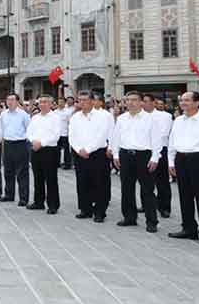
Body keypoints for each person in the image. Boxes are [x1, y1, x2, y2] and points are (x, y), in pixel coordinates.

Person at [167, 91, 199, 248]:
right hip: (181, 159)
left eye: (187, 100)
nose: (183, 103)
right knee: (184, 196)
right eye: (182, 100)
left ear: (197, 103)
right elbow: (172, 141)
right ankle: (188, 228)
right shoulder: (178, 120)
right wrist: (171, 162)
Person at [109, 91, 160, 232]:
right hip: (125, 155)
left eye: (134, 100)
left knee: (147, 190)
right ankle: (129, 217)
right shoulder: (121, 118)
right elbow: (116, 137)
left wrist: (155, 157)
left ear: (141, 102)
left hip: (144, 156)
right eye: (128, 100)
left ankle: (152, 221)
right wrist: (115, 155)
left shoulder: (150, 119)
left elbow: (157, 140)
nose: (130, 102)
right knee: (126, 188)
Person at [69, 91, 113, 222]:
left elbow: (102, 135)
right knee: (82, 182)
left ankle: (100, 211)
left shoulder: (103, 116)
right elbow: (72, 135)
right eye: (80, 100)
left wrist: (88, 149)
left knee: (100, 183)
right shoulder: (75, 117)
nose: (82, 102)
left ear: (92, 101)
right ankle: (85, 209)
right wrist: (78, 149)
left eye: (85, 100)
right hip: (80, 154)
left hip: (98, 153)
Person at [26, 95, 62, 214]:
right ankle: (38, 202)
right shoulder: (35, 117)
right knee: (38, 177)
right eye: (40, 102)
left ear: (51, 104)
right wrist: (33, 141)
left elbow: (56, 135)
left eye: (45, 102)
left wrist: (41, 143)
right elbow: (29, 132)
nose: (42, 104)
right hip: (35, 149)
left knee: (50, 178)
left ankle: (53, 205)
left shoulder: (56, 118)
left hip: (49, 150)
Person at [144, 95, 173, 219]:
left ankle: (164, 207)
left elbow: (163, 133)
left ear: (153, 103)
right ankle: (147, 204)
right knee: (145, 181)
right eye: (142, 102)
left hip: (161, 149)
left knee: (162, 180)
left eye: (145, 101)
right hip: (144, 150)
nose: (143, 104)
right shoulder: (140, 116)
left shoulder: (165, 116)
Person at [0, 94, 31, 205]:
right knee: (8, 171)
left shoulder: (23, 115)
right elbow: (2, 130)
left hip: (20, 144)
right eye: (8, 99)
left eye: (12, 99)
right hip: (8, 144)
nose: (10, 101)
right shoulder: (3, 114)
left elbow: (29, 129)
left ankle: (23, 198)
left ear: (18, 101)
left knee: (22, 172)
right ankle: (9, 194)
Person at [57, 96, 75, 169]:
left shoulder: (68, 112)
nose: (60, 103)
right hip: (57, 134)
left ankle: (67, 164)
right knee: (56, 150)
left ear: (65, 103)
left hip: (65, 133)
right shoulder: (55, 112)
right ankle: (57, 163)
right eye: (59, 102)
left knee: (66, 150)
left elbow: (70, 123)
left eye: (62, 102)